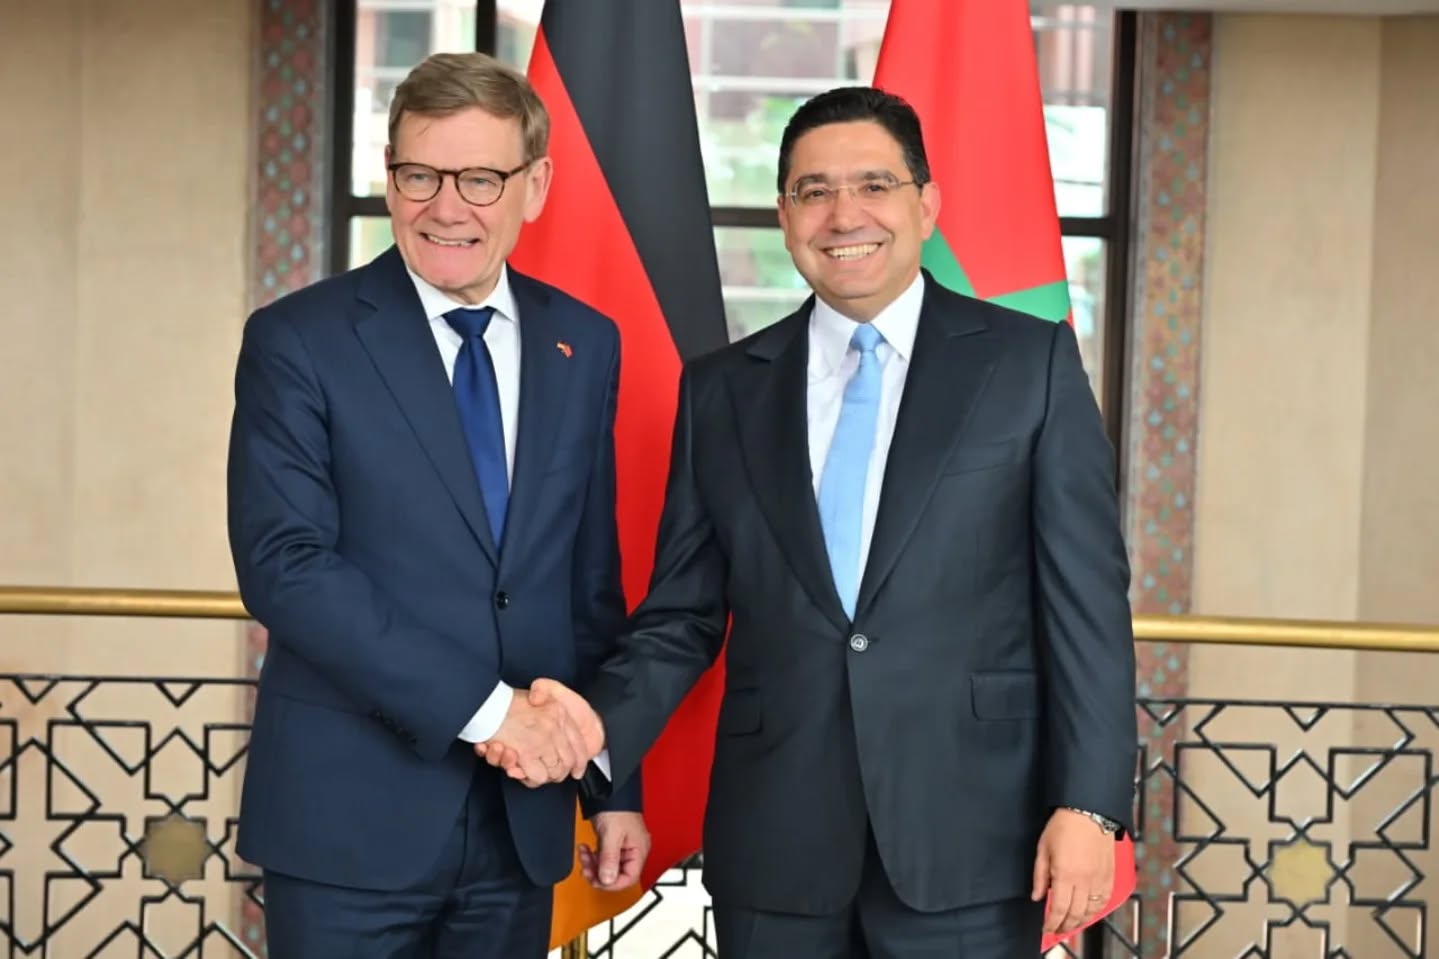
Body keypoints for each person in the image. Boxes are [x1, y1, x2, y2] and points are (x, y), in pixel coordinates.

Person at [482, 85, 1137, 959]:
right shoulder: (721, 390)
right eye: (813, 190)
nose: (844, 214)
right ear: (785, 215)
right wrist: (592, 730)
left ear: (925, 204)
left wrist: (1089, 803)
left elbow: (1087, 609)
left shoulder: (1029, 364)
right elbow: (681, 616)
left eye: (873, 184)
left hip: (973, 842)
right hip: (776, 844)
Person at [226, 51, 646, 959]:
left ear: (535, 186)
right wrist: (490, 713)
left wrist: (613, 784)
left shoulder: (585, 342)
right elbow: (286, 566)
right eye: (419, 174)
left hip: (519, 828)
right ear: (389, 176)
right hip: (347, 821)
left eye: (481, 178)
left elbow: (587, 579)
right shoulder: (299, 340)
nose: (445, 207)